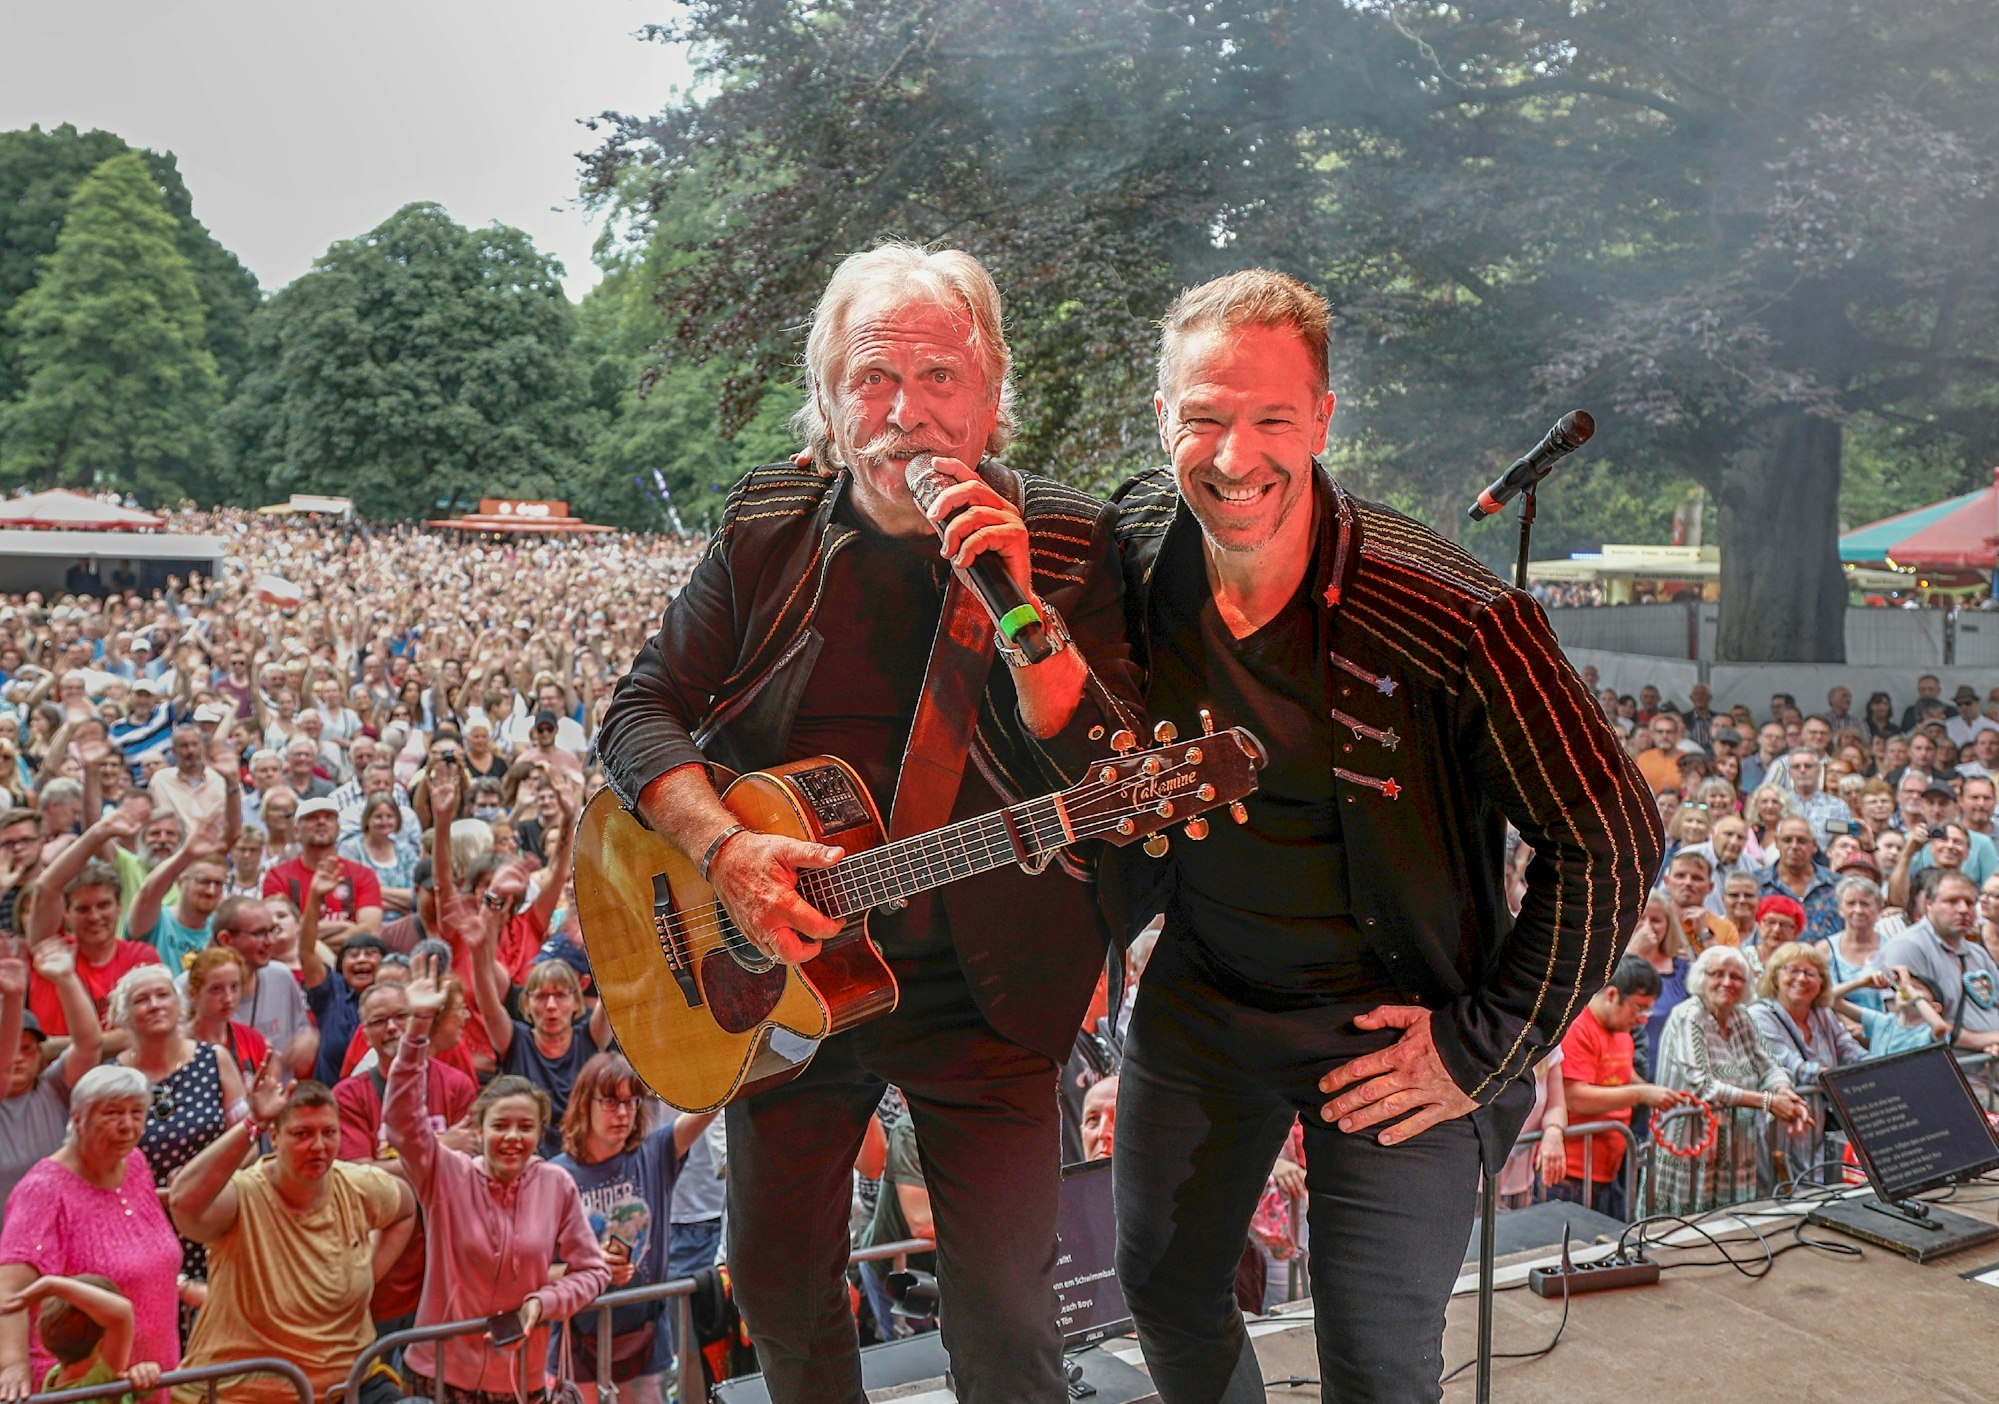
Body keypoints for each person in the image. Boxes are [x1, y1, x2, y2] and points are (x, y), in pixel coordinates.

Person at [593, 242, 1143, 1403]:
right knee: (780, 1288)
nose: (908, 414)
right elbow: (640, 711)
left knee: (1004, 1316)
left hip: (988, 989)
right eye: (873, 380)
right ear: (832, 408)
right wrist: (726, 848)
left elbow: (1116, 768)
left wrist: (1024, 610)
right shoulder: (768, 531)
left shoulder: (1077, 545)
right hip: (788, 972)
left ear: (992, 396)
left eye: (940, 378)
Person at [1102, 270, 1659, 1402]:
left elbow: (1610, 832)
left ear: (1320, 419)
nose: (1232, 453)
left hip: (1396, 1024)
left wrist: (1481, 1043)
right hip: (1207, 999)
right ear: (1161, 417)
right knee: (1162, 1289)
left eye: (1268, 418)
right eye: (1202, 416)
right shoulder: (1133, 547)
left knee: (1376, 1359)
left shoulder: (1451, 611)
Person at [386, 954, 611, 1401]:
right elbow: (402, 1124)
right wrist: (415, 1032)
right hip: (440, 1375)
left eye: (525, 1127)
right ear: (480, 1128)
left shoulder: (555, 1184)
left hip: (518, 1380)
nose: (513, 1137)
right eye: (501, 1126)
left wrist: (542, 1303)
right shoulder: (445, 1175)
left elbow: (593, 1271)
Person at [168, 1065, 416, 1404]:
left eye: (329, 1132)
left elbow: (405, 1209)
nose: (318, 1146)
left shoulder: (357, 1185)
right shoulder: (245, 1194)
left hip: (351, 1382)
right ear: (275, 1134)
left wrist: (366, 1274)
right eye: (302, 1134)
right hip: (245, 1393)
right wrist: (250, 1123)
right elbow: (184, 1205)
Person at [0, 1065, 183, 1395]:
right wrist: (12, 1365)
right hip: (84, 1388)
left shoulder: (135, 1164)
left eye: (136, 1113)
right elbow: (8, 1291)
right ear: (78, 1118)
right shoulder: (44, 1191)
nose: (127, 1126)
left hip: (150, 1377)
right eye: (112, 1113)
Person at [549, 1053, 716, 1404]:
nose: (623, 1114)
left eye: (631, 1102)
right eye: (611, 1101)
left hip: (645, 1341)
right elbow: (535, 1273)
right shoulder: (554, 1177)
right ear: (584, 1104)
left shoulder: (654, 1152)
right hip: (578, 1343)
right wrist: (588, 1268)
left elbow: (715, 1102)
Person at [106, 963, 247, 1324]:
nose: (154, 1005)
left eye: (162, 995)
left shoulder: (214, 1059)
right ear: (123, 1015)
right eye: (141, 999)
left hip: (215, 1219)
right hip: (142, 1227)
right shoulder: (112, 1078)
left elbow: (247, 1140)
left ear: (179, 1003)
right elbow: (102, 1163)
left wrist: (206, 1179)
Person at [1652, 946, 1809, 1216]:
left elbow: (1769, 1066)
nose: (1727, 983)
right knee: (1684, 1227)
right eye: (1718, 974)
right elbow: (1703, 1085)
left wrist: (1785, 1093)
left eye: (1736, 977)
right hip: (1691, 1141)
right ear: (1702, 977)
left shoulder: (1741, 1016)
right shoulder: (1688, 1015)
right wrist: (1768, 1102)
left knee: (1732, 1226)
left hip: (1737, 1145)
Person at [1551, 956, 1686, 1220]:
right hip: (1570, 1174)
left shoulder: (1622, 1032)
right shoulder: (1578, 1027)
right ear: (1613, 995)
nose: (1643, 1019)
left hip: (1608, 1169)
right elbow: (1575, 1097)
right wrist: (1642, 1094)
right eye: (1639, 1009)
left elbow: (1623, 1073)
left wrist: (1655, 1093)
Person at [1, 933, 104, 1219]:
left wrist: (65, 978)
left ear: (41, 1057)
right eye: (10, 1048)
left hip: (60, 1237)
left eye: (28, 1049)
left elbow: (89, 1044)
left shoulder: (54, 1087)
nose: (18, 1058)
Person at [1747, 942, 1868, 1185]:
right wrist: (1843, 1078)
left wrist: (1882, 1068)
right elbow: (1793, 1067)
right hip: (1782, 1124)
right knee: (1785, 1192)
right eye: (1793, 970)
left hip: (1821, 1124)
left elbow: (1850, 1050)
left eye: (1811, 973)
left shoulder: (1822, 1014)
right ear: (1775, 975)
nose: (1802, 978)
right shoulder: (1760, 1015)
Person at [1880, 869, 1999, 1054]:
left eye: (1969, 902)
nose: (1963, 909)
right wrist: (1982, 1041)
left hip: (1989, 1066)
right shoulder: (1907, 946)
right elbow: (1912, 1022)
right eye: (1952, 901)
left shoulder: (1977, 954)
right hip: (1945, 1070)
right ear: (1929, 904)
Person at [1, 1273, 161, 1402]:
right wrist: (51, 1286)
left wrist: (139, 1382)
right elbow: (122, 1314)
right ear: (104, 1339)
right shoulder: (99, 1378)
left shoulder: (55, 1376)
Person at [181, 946, 267, 1083]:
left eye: (234, 987)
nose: (228, 998)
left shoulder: (252, 1039)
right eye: (216, 989)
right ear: (193, 993)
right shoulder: (178, 1043)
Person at [1759, 816, 1840, 945]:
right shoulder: (1756, 884)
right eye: (1787, 840)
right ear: (1777, 843)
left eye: (1802, 841)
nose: (1794, 846)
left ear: (1814, 845)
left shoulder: (1838, 885)